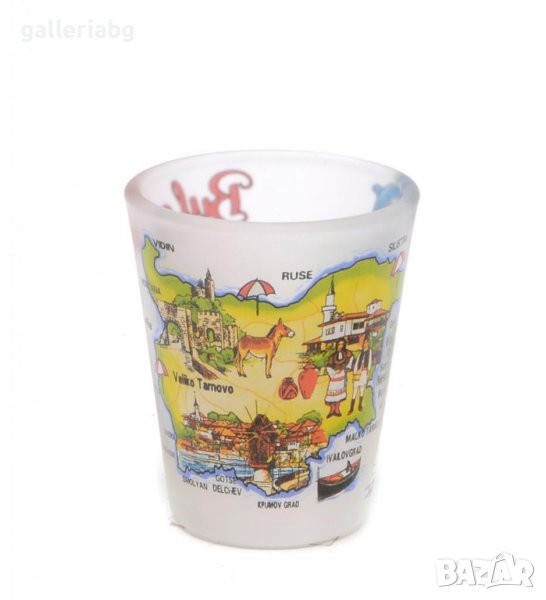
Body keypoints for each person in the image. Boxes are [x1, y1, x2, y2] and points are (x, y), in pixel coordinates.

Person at [325, 339, 353, 418]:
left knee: (339, 394)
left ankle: (337, 410)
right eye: (339, 344)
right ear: (337, 345)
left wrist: (346, 368)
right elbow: (328, 366)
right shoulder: (333, 356)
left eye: (342, 344)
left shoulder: (346, 353)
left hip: (342, 375)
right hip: (334, 377)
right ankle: (332, 410)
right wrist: (334, 372)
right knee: (332, 393)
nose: (340, 346)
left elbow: (351, 358)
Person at [349, 334, 373, 414]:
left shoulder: (369, 352)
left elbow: (369, 362)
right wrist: (355, 372)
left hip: (364, 372)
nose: (365, 344)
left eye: (366, 342)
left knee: (362, 389)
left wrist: (368, 371)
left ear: (368, 343)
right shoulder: (361, 352)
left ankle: (360, 406)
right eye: (364, 343)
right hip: (358, 372)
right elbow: (356, 363)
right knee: (355, 390)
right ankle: (351, 408)